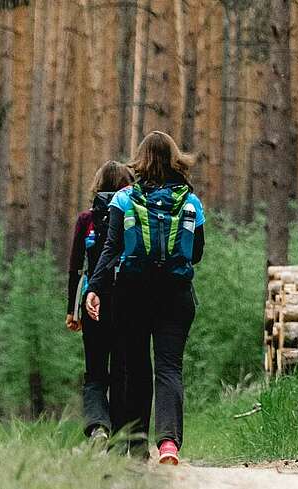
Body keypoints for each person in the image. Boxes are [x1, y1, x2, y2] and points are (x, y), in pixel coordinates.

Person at [85, 131, 206, 465]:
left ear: (140, 160)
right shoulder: (190, 201)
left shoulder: (123, 199)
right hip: (176, 295)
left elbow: (110, 250)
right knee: (169, 368)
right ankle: (168, 443)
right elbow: (195, 254)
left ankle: (137, 448)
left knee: (136, 369)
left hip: (132, 294)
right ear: (174, 159)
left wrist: (94, 288)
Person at [66, 161, 136, 445]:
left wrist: (72, 310)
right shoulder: (134, 215)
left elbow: (75, 267)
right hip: (126, 301)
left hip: (92, 302)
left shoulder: (87, 219)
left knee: (95, 372)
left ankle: (98, 427)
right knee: (121, 370)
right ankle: (119, 437)